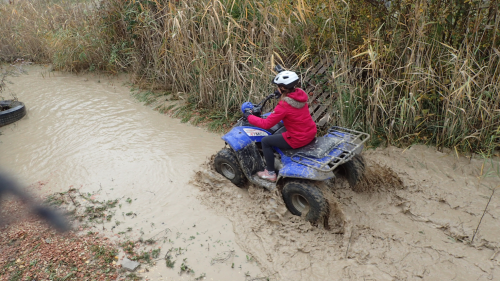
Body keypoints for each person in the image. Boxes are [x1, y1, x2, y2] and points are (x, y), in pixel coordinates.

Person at [244, 70, 317, 182]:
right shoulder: (301, 96)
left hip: (298, 139)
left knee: (266, 141)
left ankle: (270, 173)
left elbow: (266, 124)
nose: (277, 88)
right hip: (310, 133)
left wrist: (249, 116)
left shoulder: (284, 105)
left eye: (278, 86)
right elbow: (295, 115)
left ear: (282, 88)